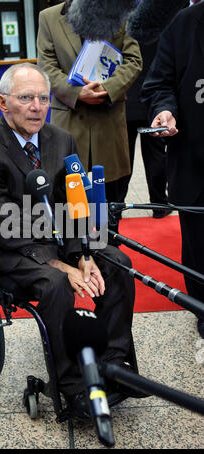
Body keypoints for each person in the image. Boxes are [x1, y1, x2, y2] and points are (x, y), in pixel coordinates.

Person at [0, 63, 138, 419]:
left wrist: (84, 254)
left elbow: (75, 203)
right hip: (9, 248)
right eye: (25, 98)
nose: (37, 106)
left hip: (60, 239)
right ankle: (72, 386)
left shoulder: (61, 139)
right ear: (2, 102)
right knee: (56, 284)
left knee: (117, 262)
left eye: (43, 98)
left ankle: (114, 364)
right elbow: (0, 226)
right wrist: (60, 264)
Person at [36, 0, 142, 205]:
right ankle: (75, 237)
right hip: (70, 120)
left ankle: (109, 237)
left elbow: (133, 60)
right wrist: (75, 92)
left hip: (108, 119)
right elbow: (46, 65)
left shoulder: (121, 12)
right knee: (70, 198)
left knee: (112, 199)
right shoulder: (48, 17)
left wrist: (108, 88)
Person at [141, 3, 204, 338]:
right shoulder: (183, 24)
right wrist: (165, 111)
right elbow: (158, 83)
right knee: (198, 245)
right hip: (195, 160)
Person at [118, 40, 171, 219]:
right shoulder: (159, 29)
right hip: (151, 102)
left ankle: (117, 204)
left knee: (124, 158)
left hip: (125, 102)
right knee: (156, 155)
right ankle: (159, 204)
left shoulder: (122, 28)